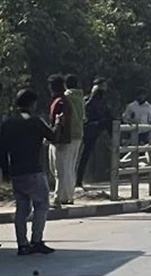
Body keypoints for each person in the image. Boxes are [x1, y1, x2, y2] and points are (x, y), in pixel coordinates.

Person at [1, 89, 54, 254]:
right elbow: (53, 137)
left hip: (17, 172)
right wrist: (58, 123)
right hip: (34, 171)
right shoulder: (35, 121)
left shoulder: (7, 123)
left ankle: (22, 244)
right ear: (32, 104)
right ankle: (36, 240)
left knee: (22, 208)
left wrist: (6, 171)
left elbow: (1, 150)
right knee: (42, 205)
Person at [46, 75, 79, 207]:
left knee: (59, 170)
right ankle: (67, 196)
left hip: (60, 140)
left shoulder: (60, 102)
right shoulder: (63, 100)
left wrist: (54, 138)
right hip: (63, 138)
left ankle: (58, 197)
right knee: (64, 168)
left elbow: (60, 122)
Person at [78, 78, 112, 188]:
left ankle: (79, 179)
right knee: (81, 156)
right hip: (87, 130)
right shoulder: (88, 100)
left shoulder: (103, 101)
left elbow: (108, 116)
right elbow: (86, 115)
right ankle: (77, 179)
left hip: (97, 130)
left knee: (86, 156)